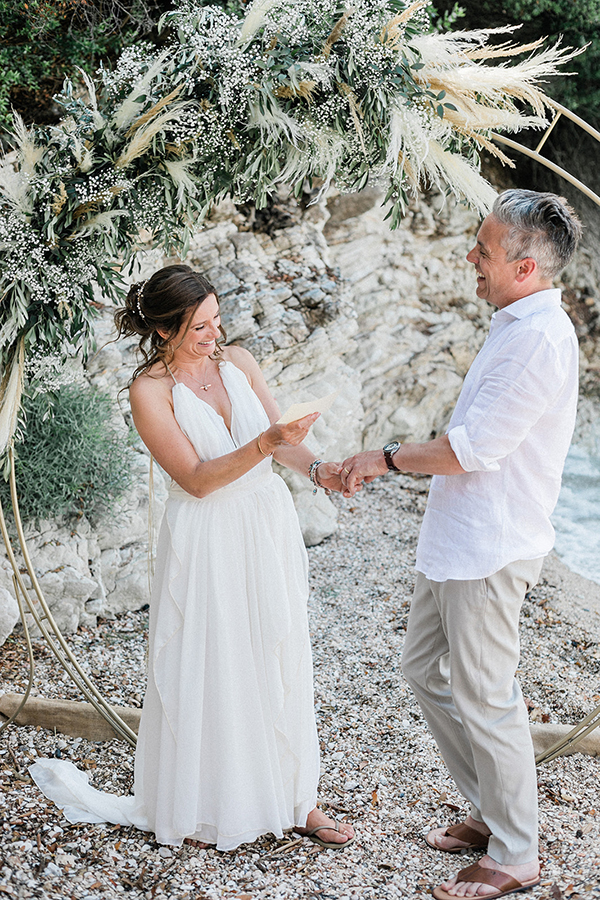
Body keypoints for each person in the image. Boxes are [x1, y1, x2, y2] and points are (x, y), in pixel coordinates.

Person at [30, 264, 354, 852]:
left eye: (216, 320)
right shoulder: (148, 391)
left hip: (264, 520)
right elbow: (197, 479)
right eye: (199, 327)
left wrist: (320, 469)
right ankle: (216, 801)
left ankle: (295, 796)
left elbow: (284, 441)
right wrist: (264, 443)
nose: (214, 335)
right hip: (208, 533)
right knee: (216, 658)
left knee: (277, 648)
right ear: (163, 330)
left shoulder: (241, 363)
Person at [339, 190, 582, 899]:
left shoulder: (538, 339)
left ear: (527, 267)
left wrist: (380, 459)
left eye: (482, 250)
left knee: (488, 697)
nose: (470, 259)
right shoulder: (514, 321)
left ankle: (515, 853)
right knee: (421, 669)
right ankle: (492, 807)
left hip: (491, 547)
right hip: (457, 538)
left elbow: (473, 450)